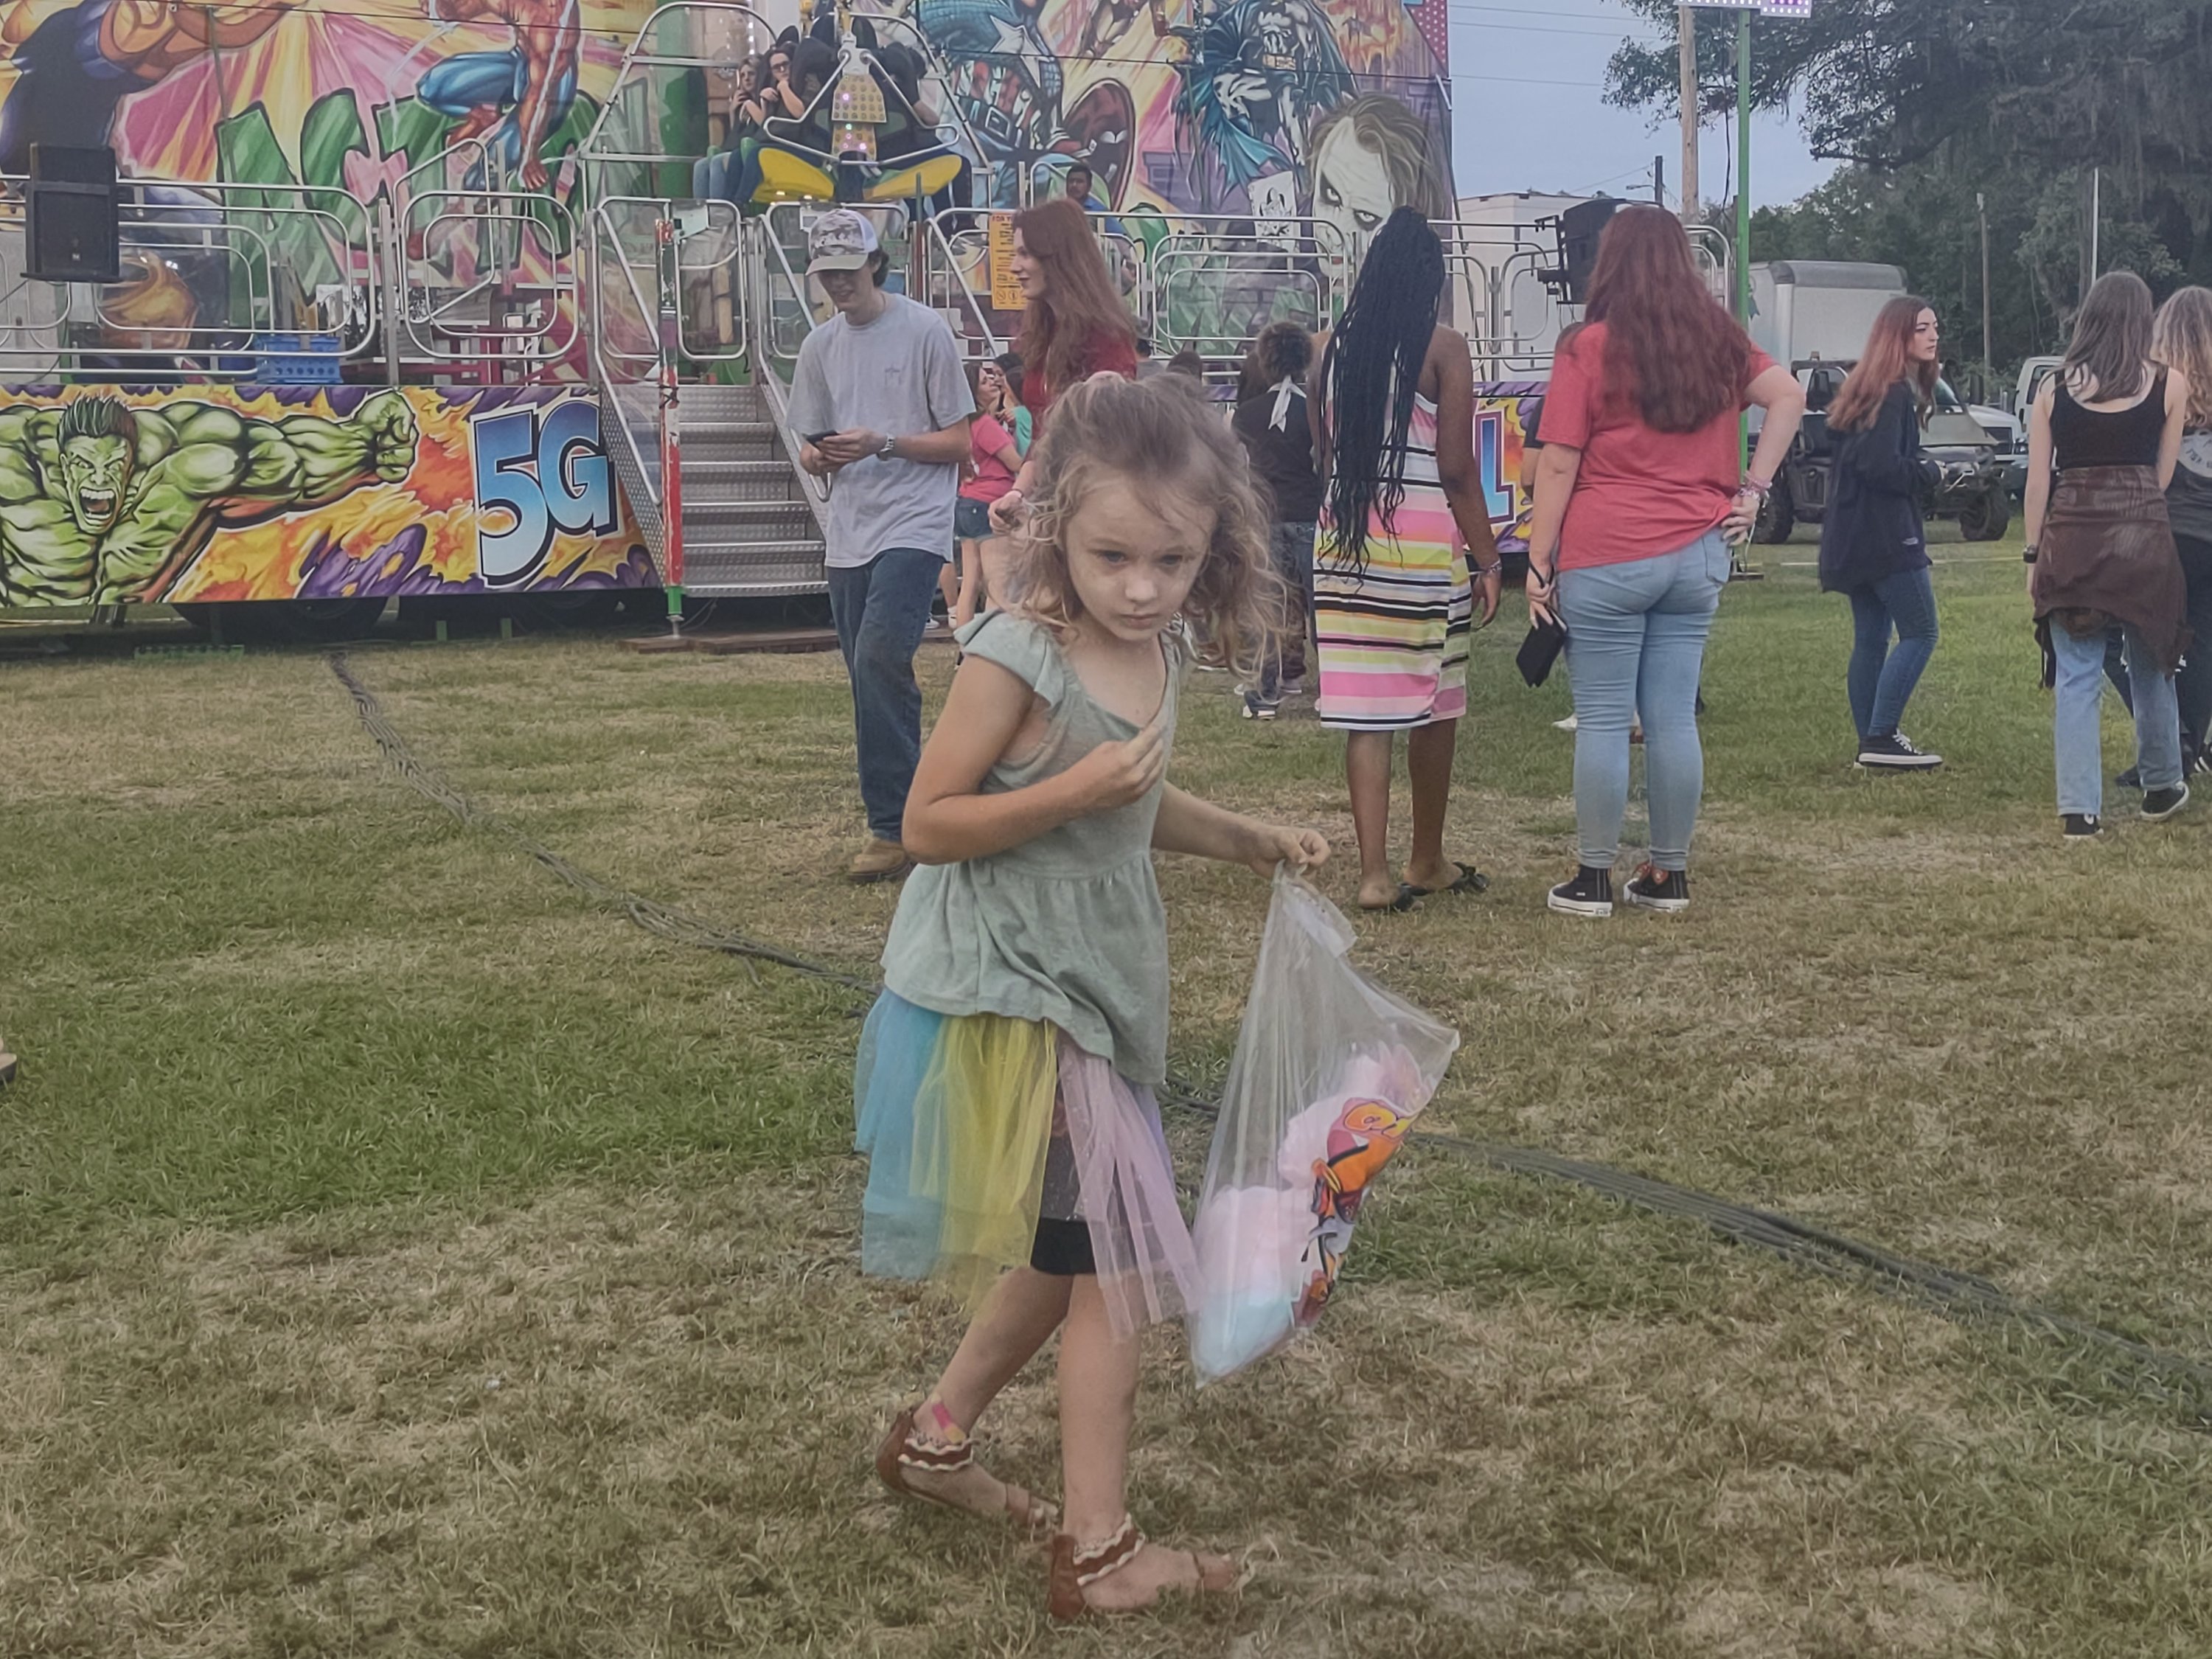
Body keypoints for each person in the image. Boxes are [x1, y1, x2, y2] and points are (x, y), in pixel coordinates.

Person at [858, 372, 1326, 1620]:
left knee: (1068, 1252)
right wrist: (1072, 793)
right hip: (1018, 997)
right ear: (1059, 522)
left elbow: (1135, 796)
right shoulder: (1017, 653)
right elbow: (929, 821)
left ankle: (936, 1438)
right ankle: (1100, 1549)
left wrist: (1246, 838)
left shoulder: (1155, 650)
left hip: (1094, 987)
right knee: (1113, 1267)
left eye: (1173, 561)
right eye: (1114, 556)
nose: (1141, 587)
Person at [1526, 205, 1804, 918]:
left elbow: (1557, 462)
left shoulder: (1588, 348)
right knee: (1674, 719)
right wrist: (1754, 490)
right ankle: (1667, 874)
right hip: (1698, 551)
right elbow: (1788, 395)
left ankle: (1592, 877)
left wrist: (1539, 560)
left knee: (1603, 718)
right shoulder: (1719, 342)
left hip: (1607, 553)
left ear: (1609, 265)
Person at [1309, 208, 1503, 912]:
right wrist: (1488, 561)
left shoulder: (1326, 348)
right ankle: (1427, 857)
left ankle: (1373, 875)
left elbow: (1323, 455)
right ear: (1431, 280)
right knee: (1436, 700)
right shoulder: (1443, 347)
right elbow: (1456, 468)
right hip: (1420, 544)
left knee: (1366, 713)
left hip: (1343, 540)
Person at [786, 209, 976, 882]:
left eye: (848, 269)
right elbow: (809, 444)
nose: (838, 283)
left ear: (875, 263)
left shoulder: (925, 330)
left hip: (915, 524)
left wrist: (883, 443)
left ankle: (896, 826)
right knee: (868, 675)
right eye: (826, 273)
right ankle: (921, 811)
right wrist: (821, 457)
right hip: (849, 531)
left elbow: (960, 442)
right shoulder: (818, 348)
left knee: (879, 658)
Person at [2025, 269, 2193, 838]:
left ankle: (2080, 810)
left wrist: (2032, 555)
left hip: (2071, 543)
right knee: (2152, 666)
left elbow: (2038, 484)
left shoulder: (2052, 389)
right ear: (2143, 320)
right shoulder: (2171, 384)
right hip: (2143, 541)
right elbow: (2162, 476)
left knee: (2077, 675)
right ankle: (2162, 784)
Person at [1817, 297, 1949, 770]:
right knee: (1921, 632)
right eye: (1921, 328)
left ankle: (1870, 744)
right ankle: (1881, 735)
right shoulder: (1892, 394)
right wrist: (1930, 472)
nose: (1933, 336)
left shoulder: (1865, 389)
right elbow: (1880, 466)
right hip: (1887, 537)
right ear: (1897, 336)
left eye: (1935, 327)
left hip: (1852, 536)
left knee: (1871, 639)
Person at [988, 198, 1140, 532]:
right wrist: (1017, 494)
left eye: (1025, 254)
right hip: (1056, 507)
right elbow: (1042, 438)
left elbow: (1112, 442)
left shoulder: (1106, 338)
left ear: (1057, 257)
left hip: (1094, 512)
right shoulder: (1045, 334)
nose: (1014, 267)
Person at [1232, 320, 1323, 718]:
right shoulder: (1316, 411)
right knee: (1321, 608)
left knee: (1267, 608)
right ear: (1303, 362)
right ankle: (1335, 689)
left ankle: (1265, 694)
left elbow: (1238, 473)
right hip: (1310, 516)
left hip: (1265, 518)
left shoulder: (1244, 415)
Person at [2152, 285, 2212, 775]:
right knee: (2204, 638)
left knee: (2148, 641)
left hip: (2172, 531)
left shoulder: (2156, 390)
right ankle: (2189, 742)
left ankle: (2174, 742)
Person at [950, 357, 1023, 625]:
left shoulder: (961, 426)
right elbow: (1015, 463)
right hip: (989, 503)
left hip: (966, 499)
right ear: (973, 391)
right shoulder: (985, 425)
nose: (992, 382)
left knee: (970, 582)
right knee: (996, 583)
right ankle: (992, 641)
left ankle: (964, 643)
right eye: (984, 381)